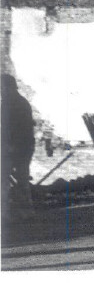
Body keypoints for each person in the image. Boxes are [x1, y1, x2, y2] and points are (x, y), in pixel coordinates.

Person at [1, 73, 36, 220]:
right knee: (14, 179)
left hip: (20, 148)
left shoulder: (19, 104)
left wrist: (12, 146)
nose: (1, 90)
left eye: (2, 87)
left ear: (9, 87)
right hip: (13, 147)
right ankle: (13, 212)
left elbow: (23, 129)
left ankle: (21, 212)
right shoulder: (8, 102)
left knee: (16, 179)